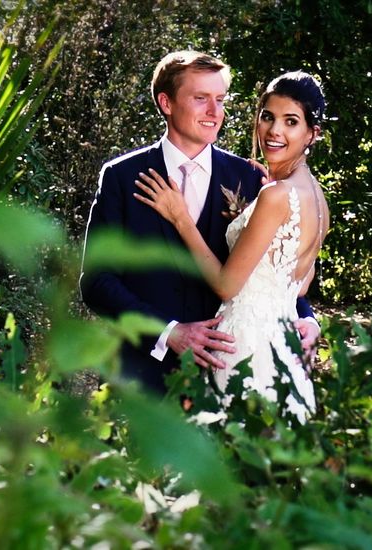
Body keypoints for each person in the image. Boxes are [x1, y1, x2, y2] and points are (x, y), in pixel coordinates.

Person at [79, 52, 319, 394]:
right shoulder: (122, 177)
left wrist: (307, 317)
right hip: (139, 376)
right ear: (167, 102)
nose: (214, 112)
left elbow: (269, 268)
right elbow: (97, 281)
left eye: (220, 100)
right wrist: (168, 331)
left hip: (227, 372)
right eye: (200, 98)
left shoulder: (250, 179)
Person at [133, 71, 329, 422]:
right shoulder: (315, 197)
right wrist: (310, 322)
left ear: (312, 133)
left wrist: (181, 219)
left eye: (291, 122)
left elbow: (226, 284)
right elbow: (297, 283)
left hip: (242, 347)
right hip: (282, 349)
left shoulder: (275, 195)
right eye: (268, 116)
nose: (274, 131)